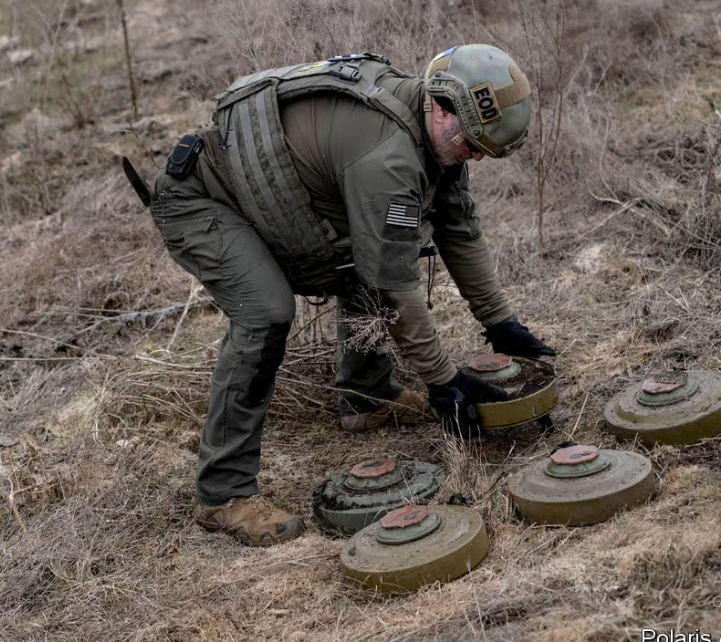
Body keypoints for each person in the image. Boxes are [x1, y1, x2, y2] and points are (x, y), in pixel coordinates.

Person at [124, 45, 556, 547]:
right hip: (200, 202)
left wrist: (501, 323)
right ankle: (223, 494)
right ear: (440, 106)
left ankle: (367, 396)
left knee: (368, 253)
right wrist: (443, 379)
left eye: (485, 150)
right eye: (471, 143)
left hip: (272, 202)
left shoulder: (436, 129)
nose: (474, 155)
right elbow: (394, 284)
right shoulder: (388, 157)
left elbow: (459, 231)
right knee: (265, 313)